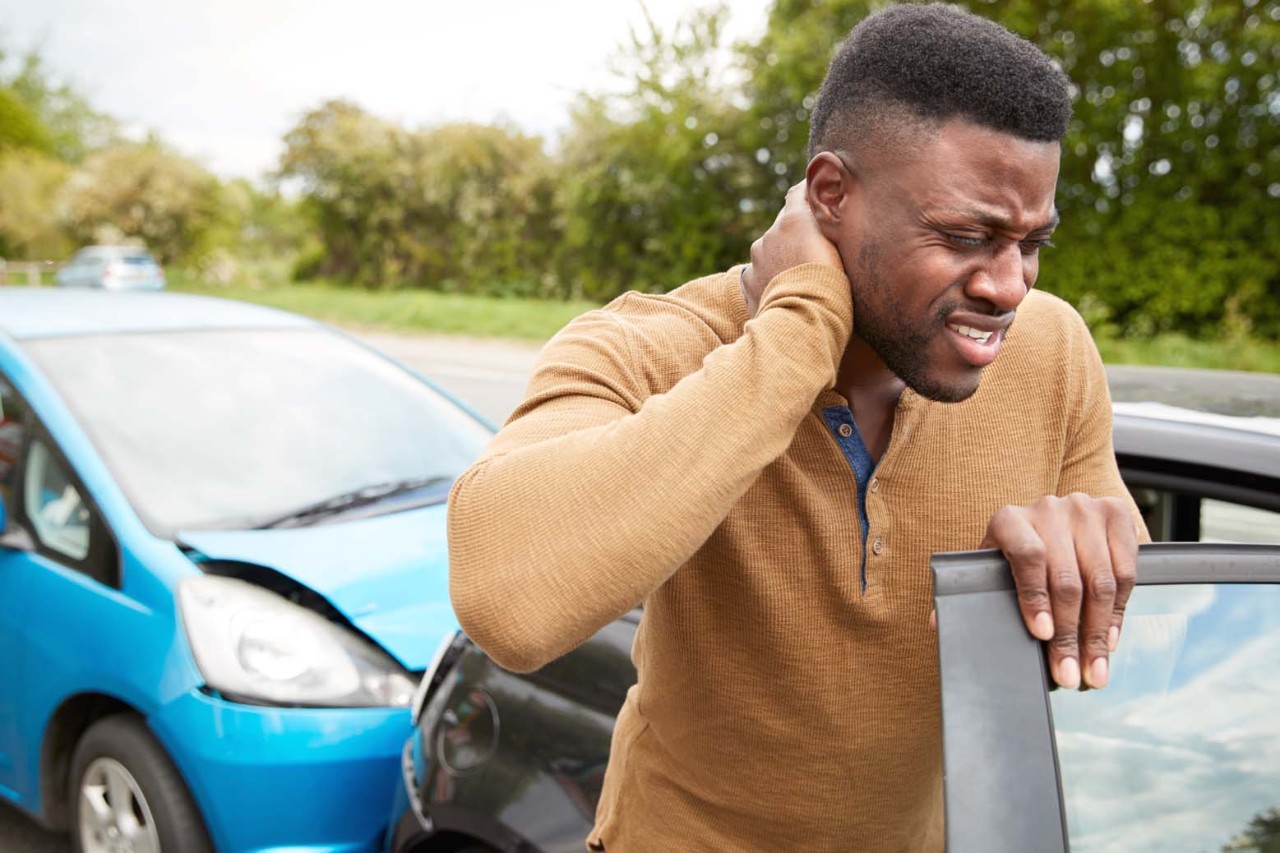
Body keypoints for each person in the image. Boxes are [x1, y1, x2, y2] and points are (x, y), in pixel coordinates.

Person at [447, 4, 1146, 850]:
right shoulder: (642, 348)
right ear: (830, 196)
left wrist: (1088, 563)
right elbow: (507, 604)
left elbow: (1132, 642)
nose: (1009, 285)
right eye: (967, 234)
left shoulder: (1054, 351)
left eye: (1033, 242)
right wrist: (801, 323)